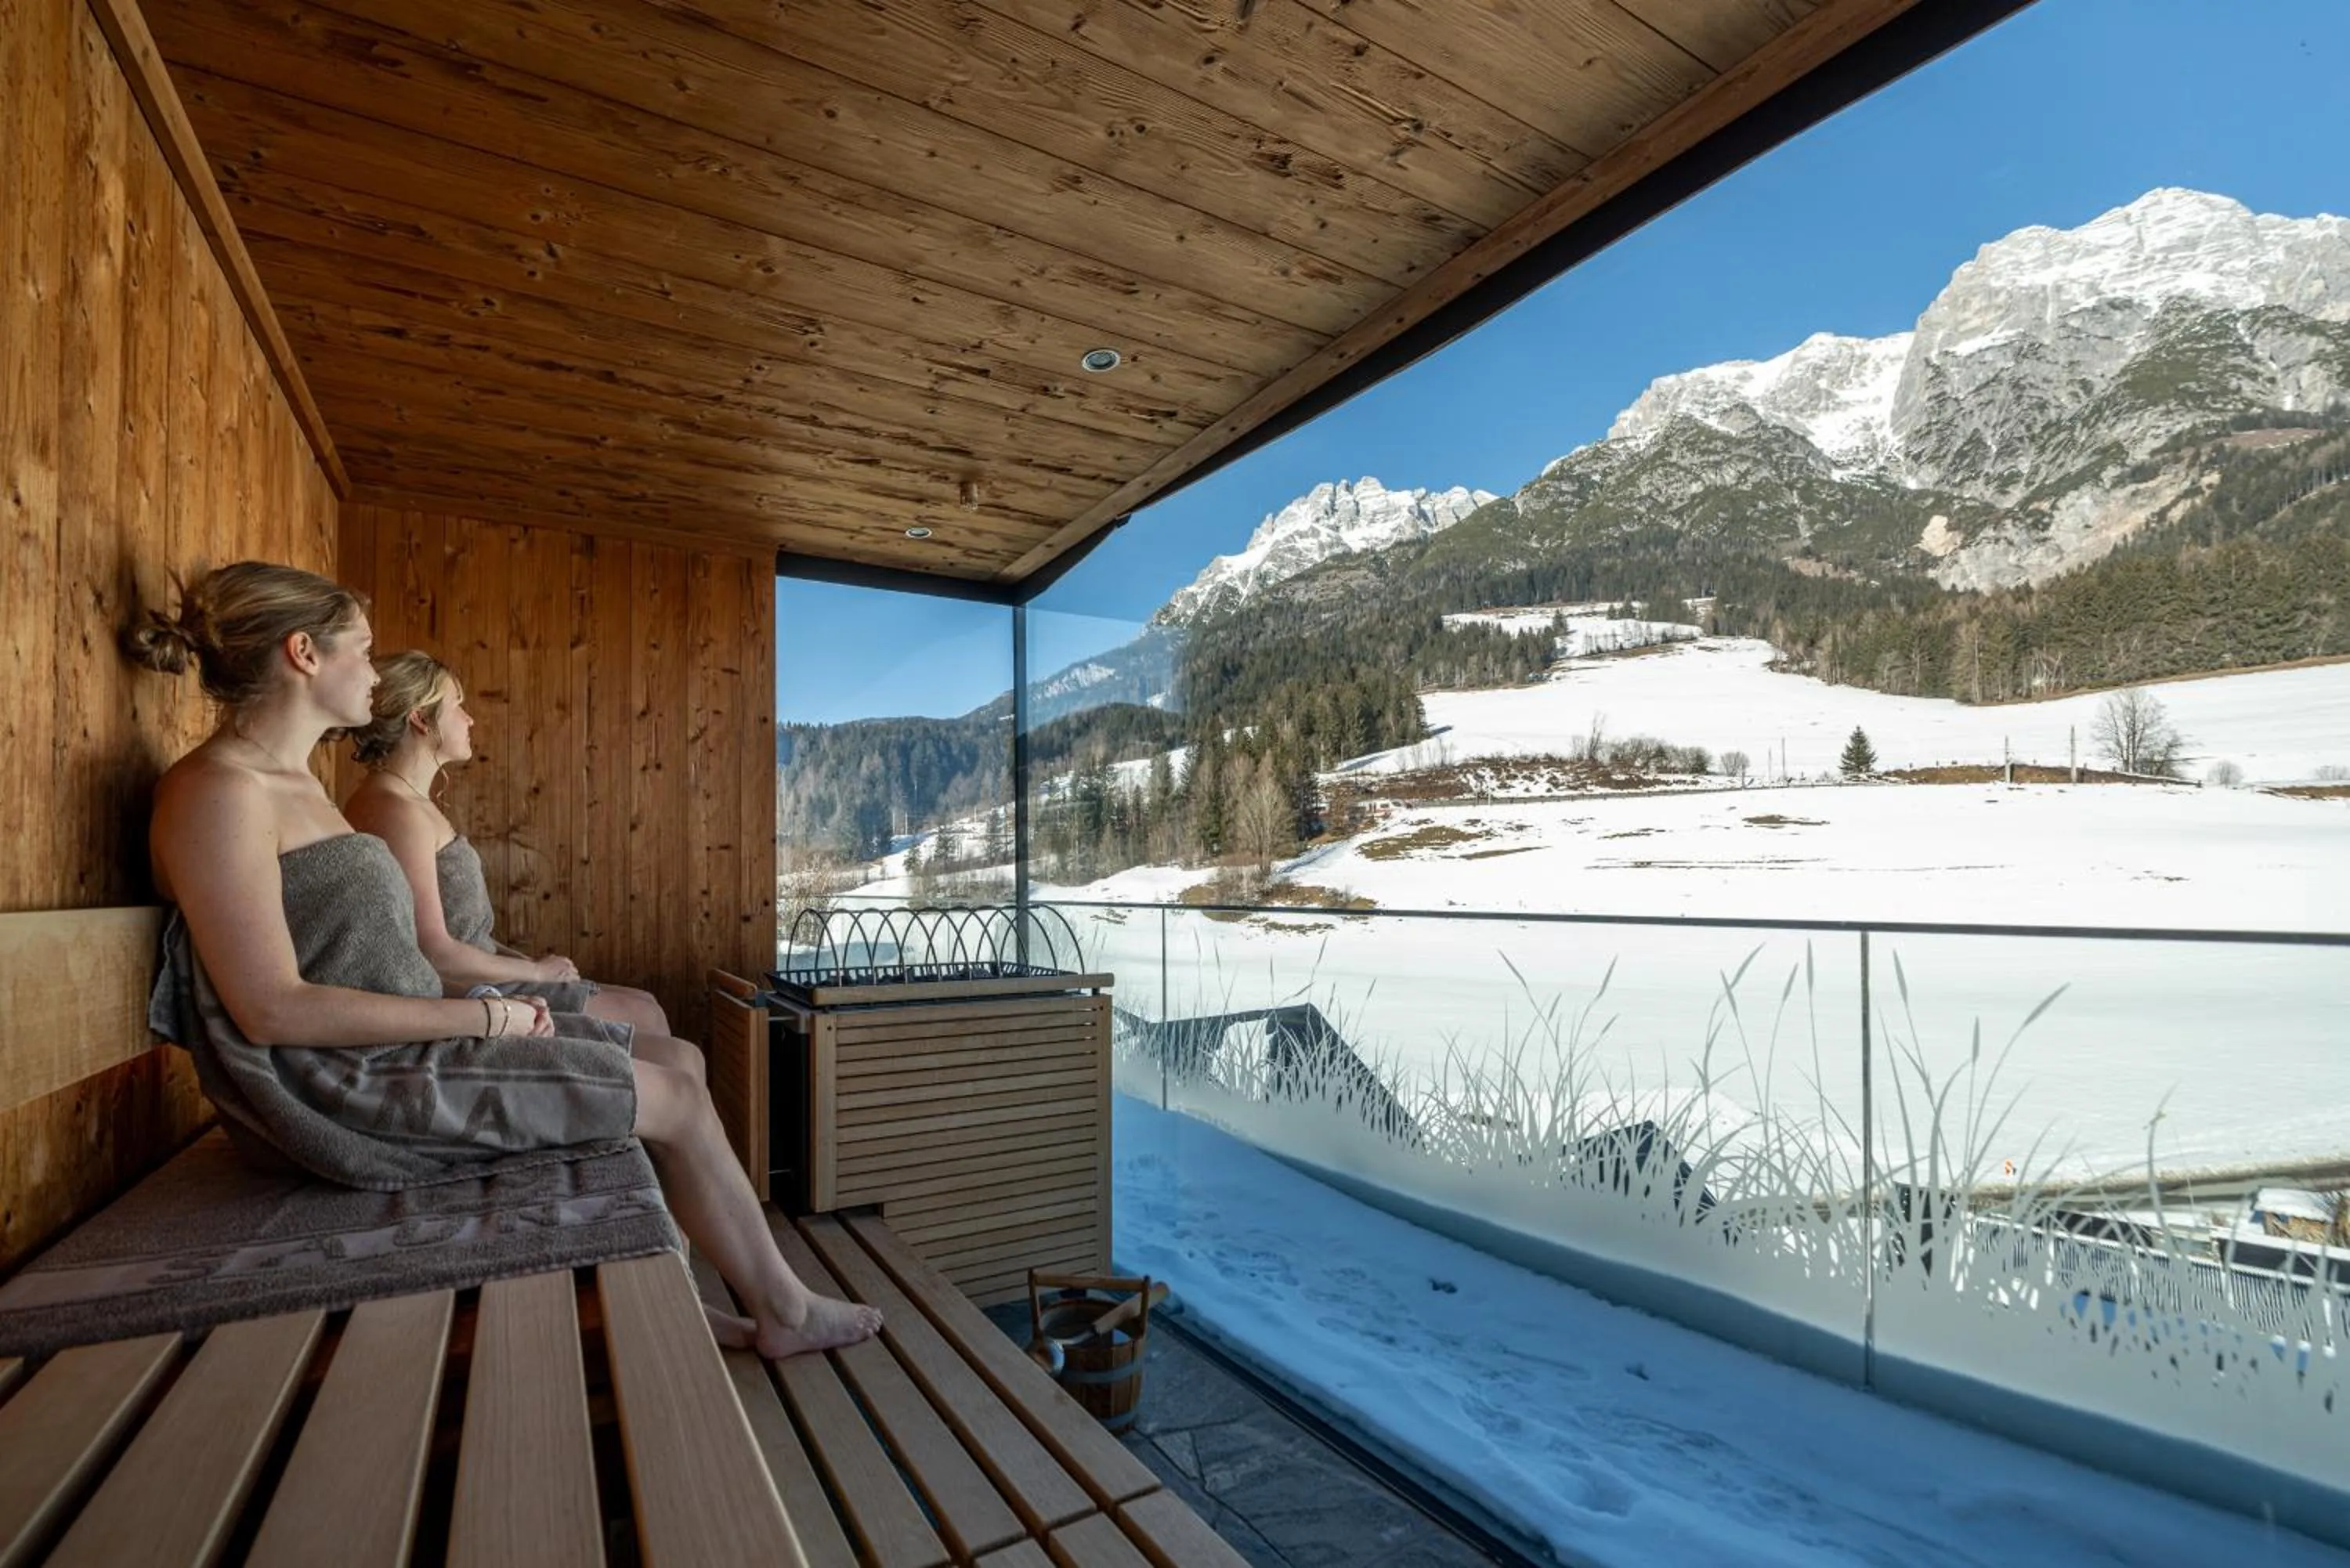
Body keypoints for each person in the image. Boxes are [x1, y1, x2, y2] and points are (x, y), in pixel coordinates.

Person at [129, 561, 876, 1358]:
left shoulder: (291, 784)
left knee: (678, 1069)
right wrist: (485, 1014)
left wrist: (492, 1009)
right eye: (366, 649)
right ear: (305, 653)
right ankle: (783, 1314)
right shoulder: (218, 792)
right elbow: (270, 1006)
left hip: (411, 1051)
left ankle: (699, 1294)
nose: (375, 673)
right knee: (677, 1100)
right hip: (352, 1086)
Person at [342, 650, 672, 1043]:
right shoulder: (395, 811)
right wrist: (537, 974)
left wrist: (527, 962)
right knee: (650, 1023)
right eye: (458, 705)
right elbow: (433, 949)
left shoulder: (408, 803)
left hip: (486, 976)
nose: (470, 719)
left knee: (648, 1006)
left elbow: (466, 932)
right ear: (420, 718)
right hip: (463, 992)